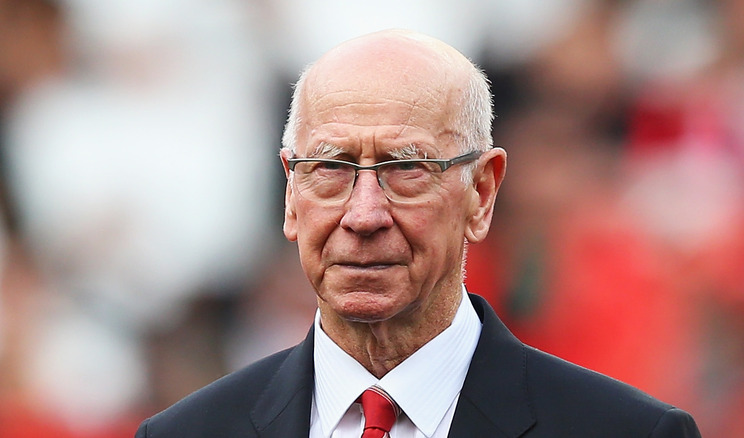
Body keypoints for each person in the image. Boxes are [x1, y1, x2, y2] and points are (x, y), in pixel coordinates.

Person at [135, 29, 701, 437]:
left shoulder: (627, 432)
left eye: (407, 168)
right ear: (290, 193)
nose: (363, 213)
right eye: (330, 168)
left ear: (482, 193)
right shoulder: (186, 433)